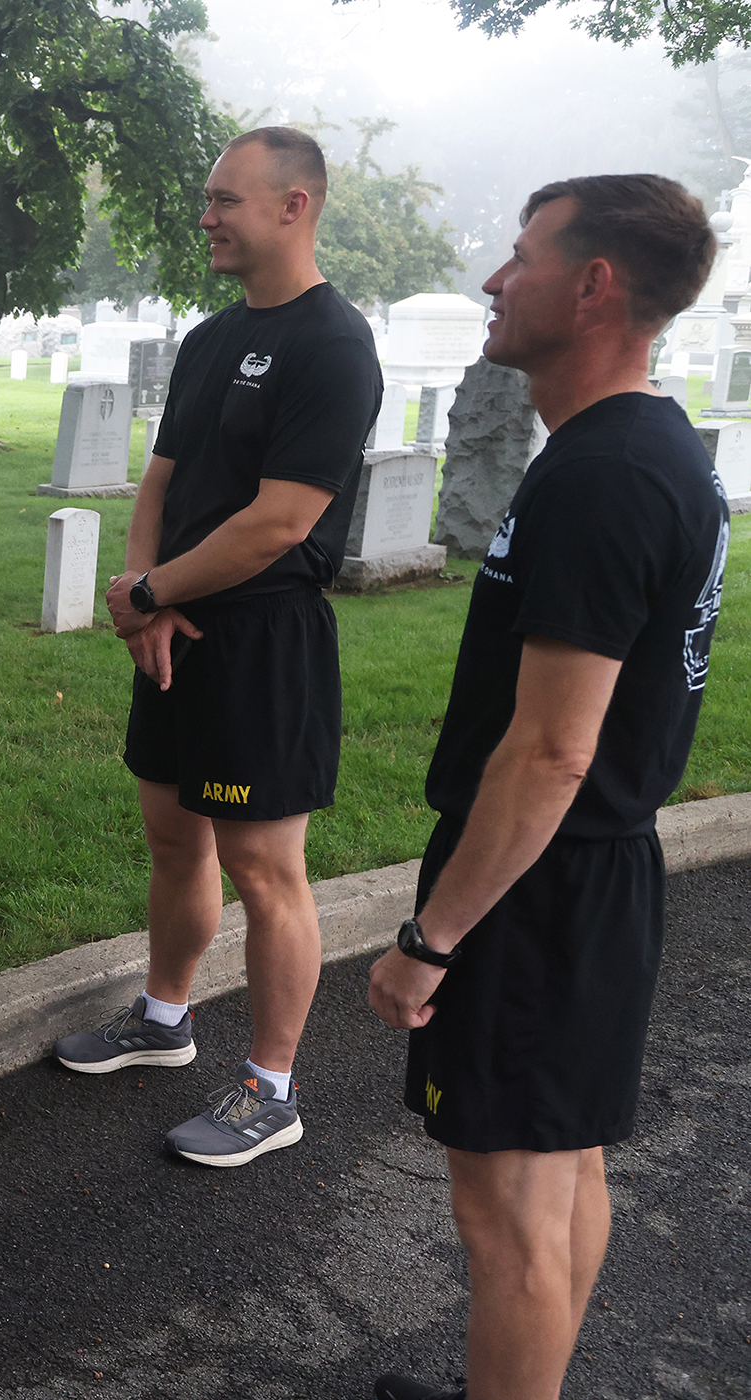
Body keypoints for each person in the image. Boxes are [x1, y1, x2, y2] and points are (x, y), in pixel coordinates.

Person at [368, 176, 724, 1400]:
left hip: (540, 886)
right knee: (563, 1176)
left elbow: (551, 751)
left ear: (593, 286)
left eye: (519, 256)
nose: (491, 280)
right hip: (591, 875)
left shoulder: (605, 474)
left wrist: (433, 936)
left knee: (509, 1215)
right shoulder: (642, 448)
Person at [50, 127, 381, 1166]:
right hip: (176, 628)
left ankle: (272, 1087)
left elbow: (281, 519)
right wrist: (145, 601)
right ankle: (164, 1017)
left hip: (260, 639)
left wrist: (150, 586)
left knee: (263, 863)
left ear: (295, 205)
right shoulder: (207, 339)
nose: (207, 216)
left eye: (225, 199)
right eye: (208, 198)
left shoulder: (334, 344)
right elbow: (162, 478)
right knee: (171, 835)